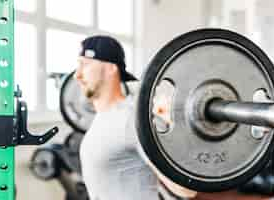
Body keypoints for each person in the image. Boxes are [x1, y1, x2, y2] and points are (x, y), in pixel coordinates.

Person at [75, 35, 198, 200]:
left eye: (85, 65)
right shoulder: (104, 117)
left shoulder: (131, 120)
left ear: (111, 68)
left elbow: (186, 189)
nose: (77, 74)